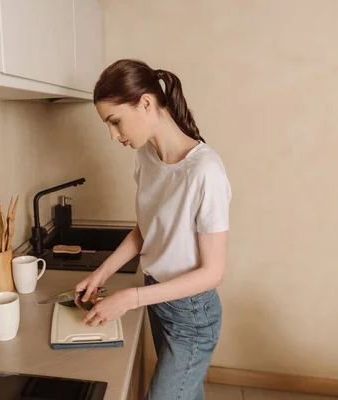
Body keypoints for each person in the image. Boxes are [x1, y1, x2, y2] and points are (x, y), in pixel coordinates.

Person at [74, 59, 232, 400]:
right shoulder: (145, 157)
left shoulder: (206, 171)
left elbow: (213, 273)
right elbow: (148, 229)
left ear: (146, 102)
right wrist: (102, 273)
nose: (113, 135)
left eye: (115, 122)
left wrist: (130, 299)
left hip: (192, 313)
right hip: (159, 298)